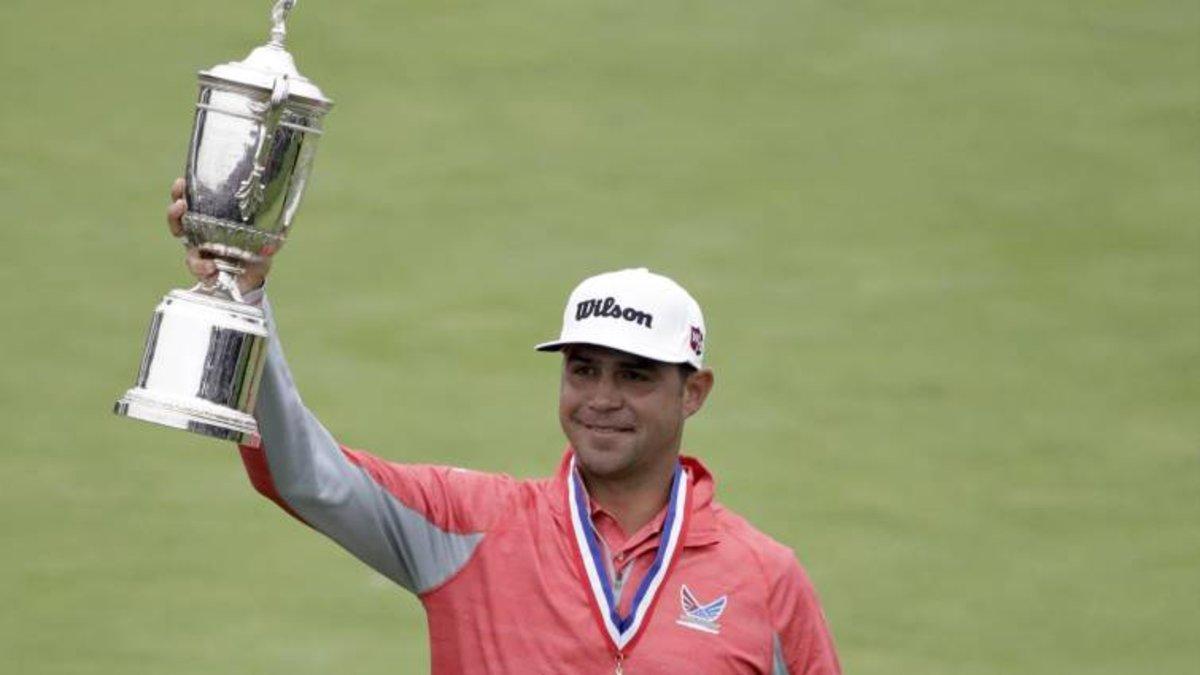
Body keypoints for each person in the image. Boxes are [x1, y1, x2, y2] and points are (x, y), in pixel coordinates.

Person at [167, 180, 841, 674]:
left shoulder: (765, 577)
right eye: (583, 369)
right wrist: (244, 295)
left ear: (693, 392)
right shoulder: (470, 524)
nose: (601, 398)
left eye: (634, 375)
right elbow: (304, 472)